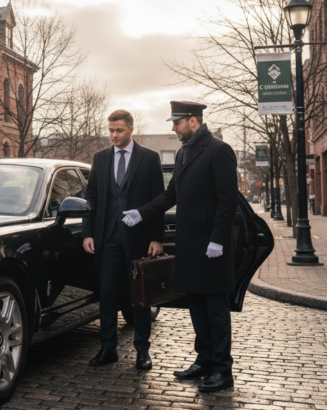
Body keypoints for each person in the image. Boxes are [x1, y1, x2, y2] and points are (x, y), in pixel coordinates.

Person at [122, 101, 238, 392]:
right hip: (190, 247)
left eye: (176, 122)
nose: (173, 127)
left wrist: (218, 239)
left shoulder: (219, 150)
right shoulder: (185, 151)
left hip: (212, 247)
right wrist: (142, 213)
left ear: (193, 121)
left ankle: (223, 370)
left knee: (216, 311)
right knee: (197, 306)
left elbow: (228, 200)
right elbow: (170, 194)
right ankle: (205, 360)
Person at [82, 109, 165, 370]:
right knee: (106, 294)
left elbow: (158, 200)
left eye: (118, 130)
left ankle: (142, 351)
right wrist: (88, 233)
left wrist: (157, 238)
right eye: (110, 130)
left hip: (138, 239)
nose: (114, 135)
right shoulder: (100, 158)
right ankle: (108, 348)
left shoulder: (149, 158)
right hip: (107, 239)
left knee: (139, 296)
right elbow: (91, 198)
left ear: (131, 129)